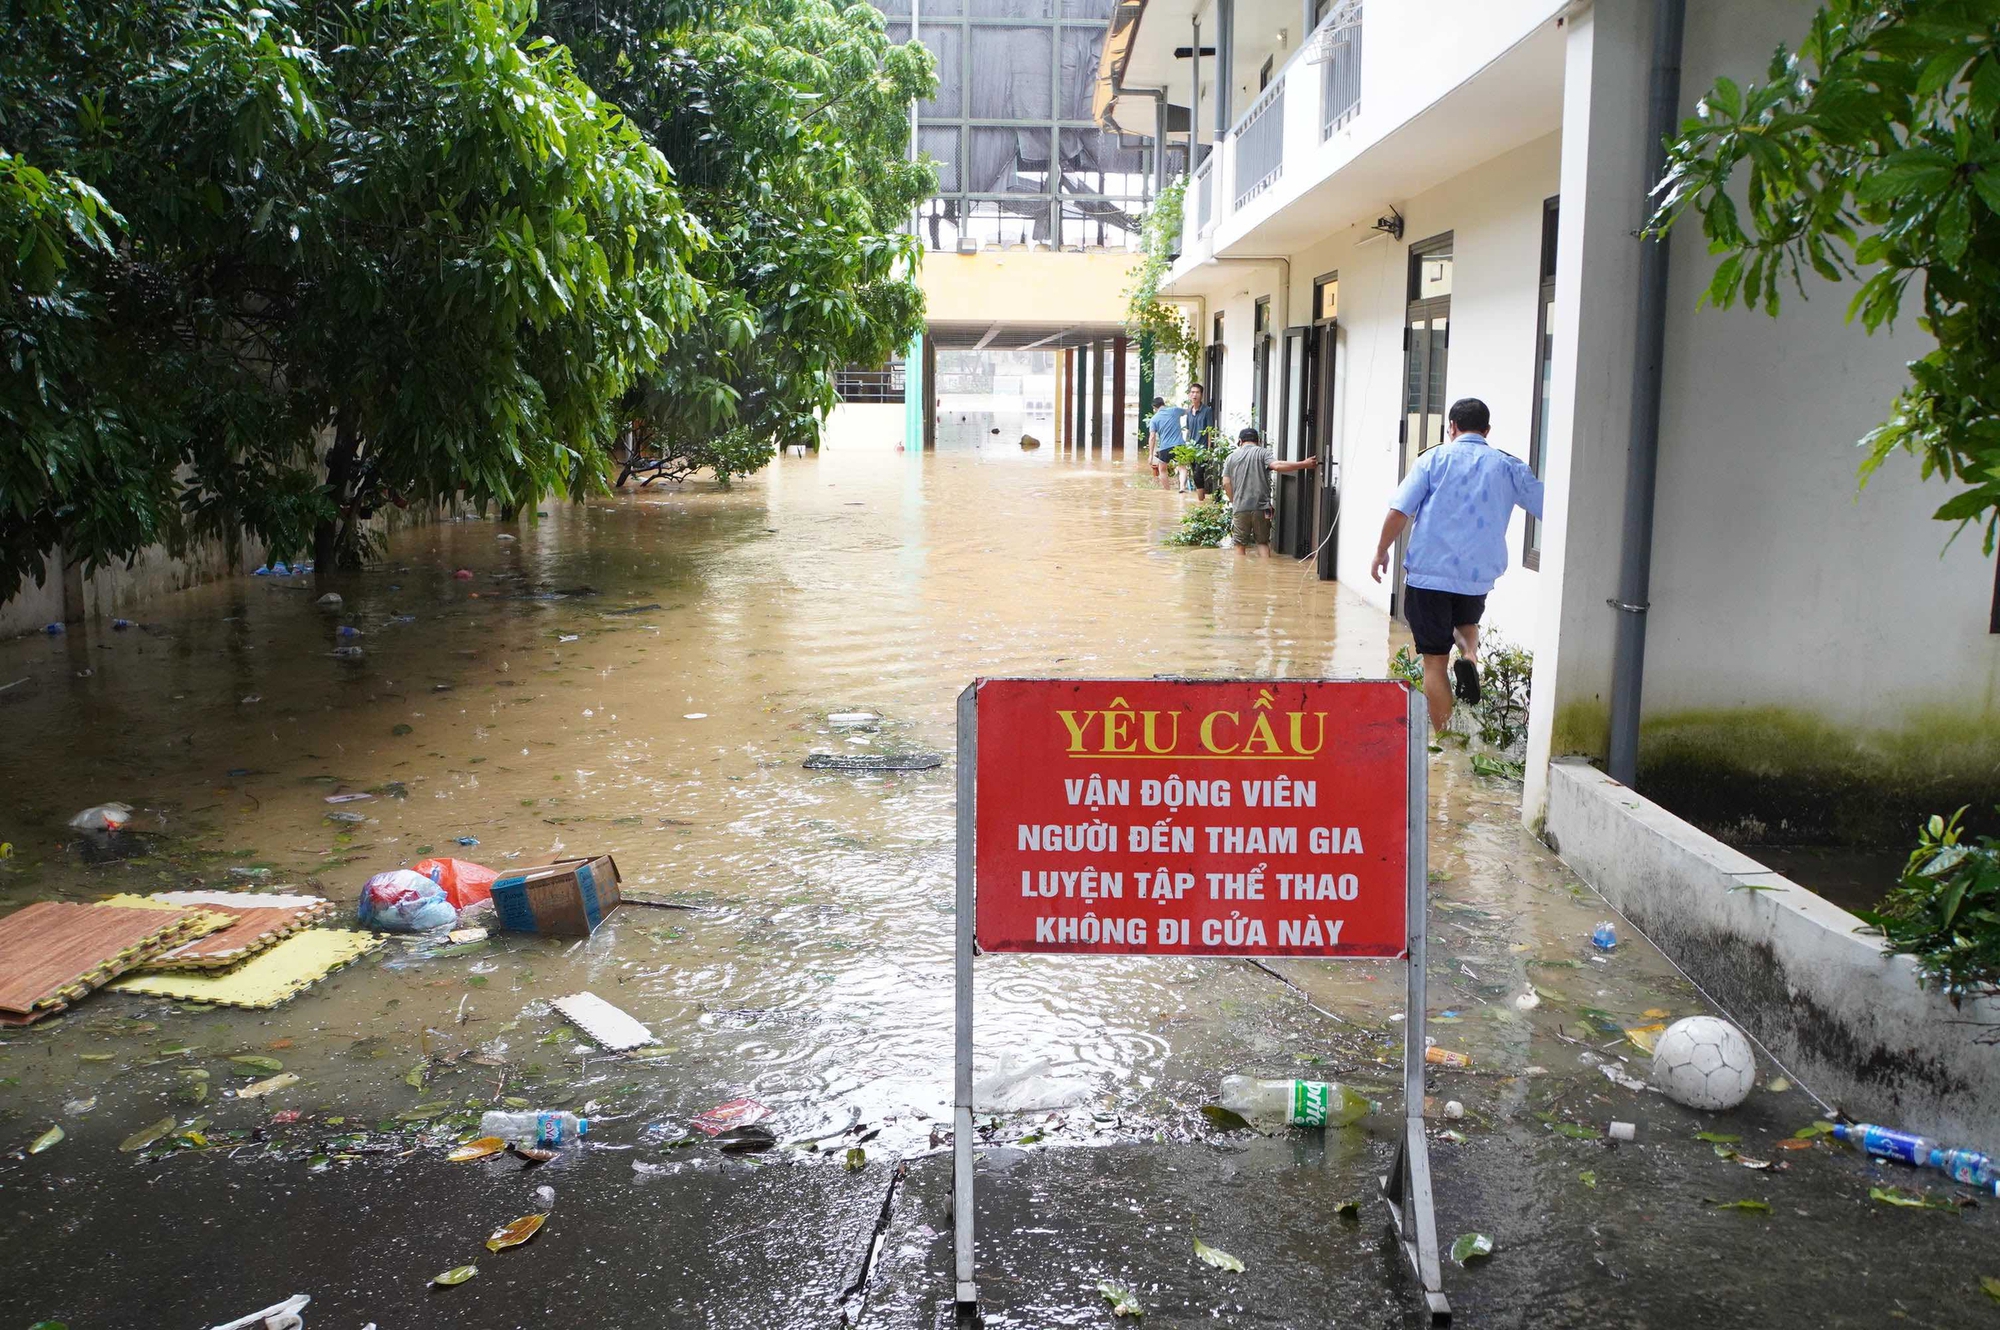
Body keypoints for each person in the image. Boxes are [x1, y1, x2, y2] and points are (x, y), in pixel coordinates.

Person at [1371, 397, 1543, 733]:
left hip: (1430, 575)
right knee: (1466, 622)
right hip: (1477, 576)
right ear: (1487, 430)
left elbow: (1399, 512)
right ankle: (1469, 658)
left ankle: (1447, 741)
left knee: (1434, 663)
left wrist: (1381, 551)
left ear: (1451, 427)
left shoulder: (1433, 459)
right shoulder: (1508, 465)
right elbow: (1548, 505)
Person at [1221, 426, 1316, 557]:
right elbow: (1277, 466)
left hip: (1240, 507)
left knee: (1239, 545)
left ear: (1240, 441)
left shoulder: (1230, 458)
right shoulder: (1263, 453)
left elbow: (1226, 482)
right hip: (1263, 507)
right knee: (1263, 543)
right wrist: (1304, 464)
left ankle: (1240, 576)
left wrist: (1234, 500)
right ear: (1258, 440)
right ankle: (1265, 574)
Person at [1183, 383, 1216, 499]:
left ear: (1201, 395)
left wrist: (1208, 450)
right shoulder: (1189, 412)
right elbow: (1188, 430)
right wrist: (1185, 448)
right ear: (1189, 395)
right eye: (1192, 392)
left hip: (1202, 450)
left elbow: (1210, 431)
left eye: (1197, 392)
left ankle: (1201, 500)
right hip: (1191, 449)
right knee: (1195, 474)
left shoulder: (1207, 411)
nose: (1194, 395)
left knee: (1198, 474)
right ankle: (1200, 501)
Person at [1146, 396, 1183, 490]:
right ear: (1163, 403)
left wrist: (1150, 455)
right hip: (1179, 445)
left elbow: (1152, 437)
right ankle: (1182, 488)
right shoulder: (1174, 410)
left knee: (1162, 470)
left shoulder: (1154, 419)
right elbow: (1188, 411)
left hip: (1165, 448)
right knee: (1182, 467)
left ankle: (1167, 491)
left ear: (1154, 407)